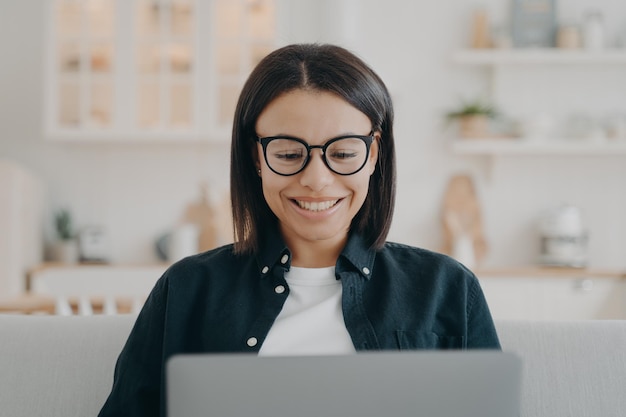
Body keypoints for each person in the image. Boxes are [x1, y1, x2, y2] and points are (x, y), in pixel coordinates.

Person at [98, 43, 500, 417]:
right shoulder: (187, 289)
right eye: (289, 154)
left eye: (342, 153)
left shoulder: (447, 288)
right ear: (257, 157)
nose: (317, 180)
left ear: (374, 154)